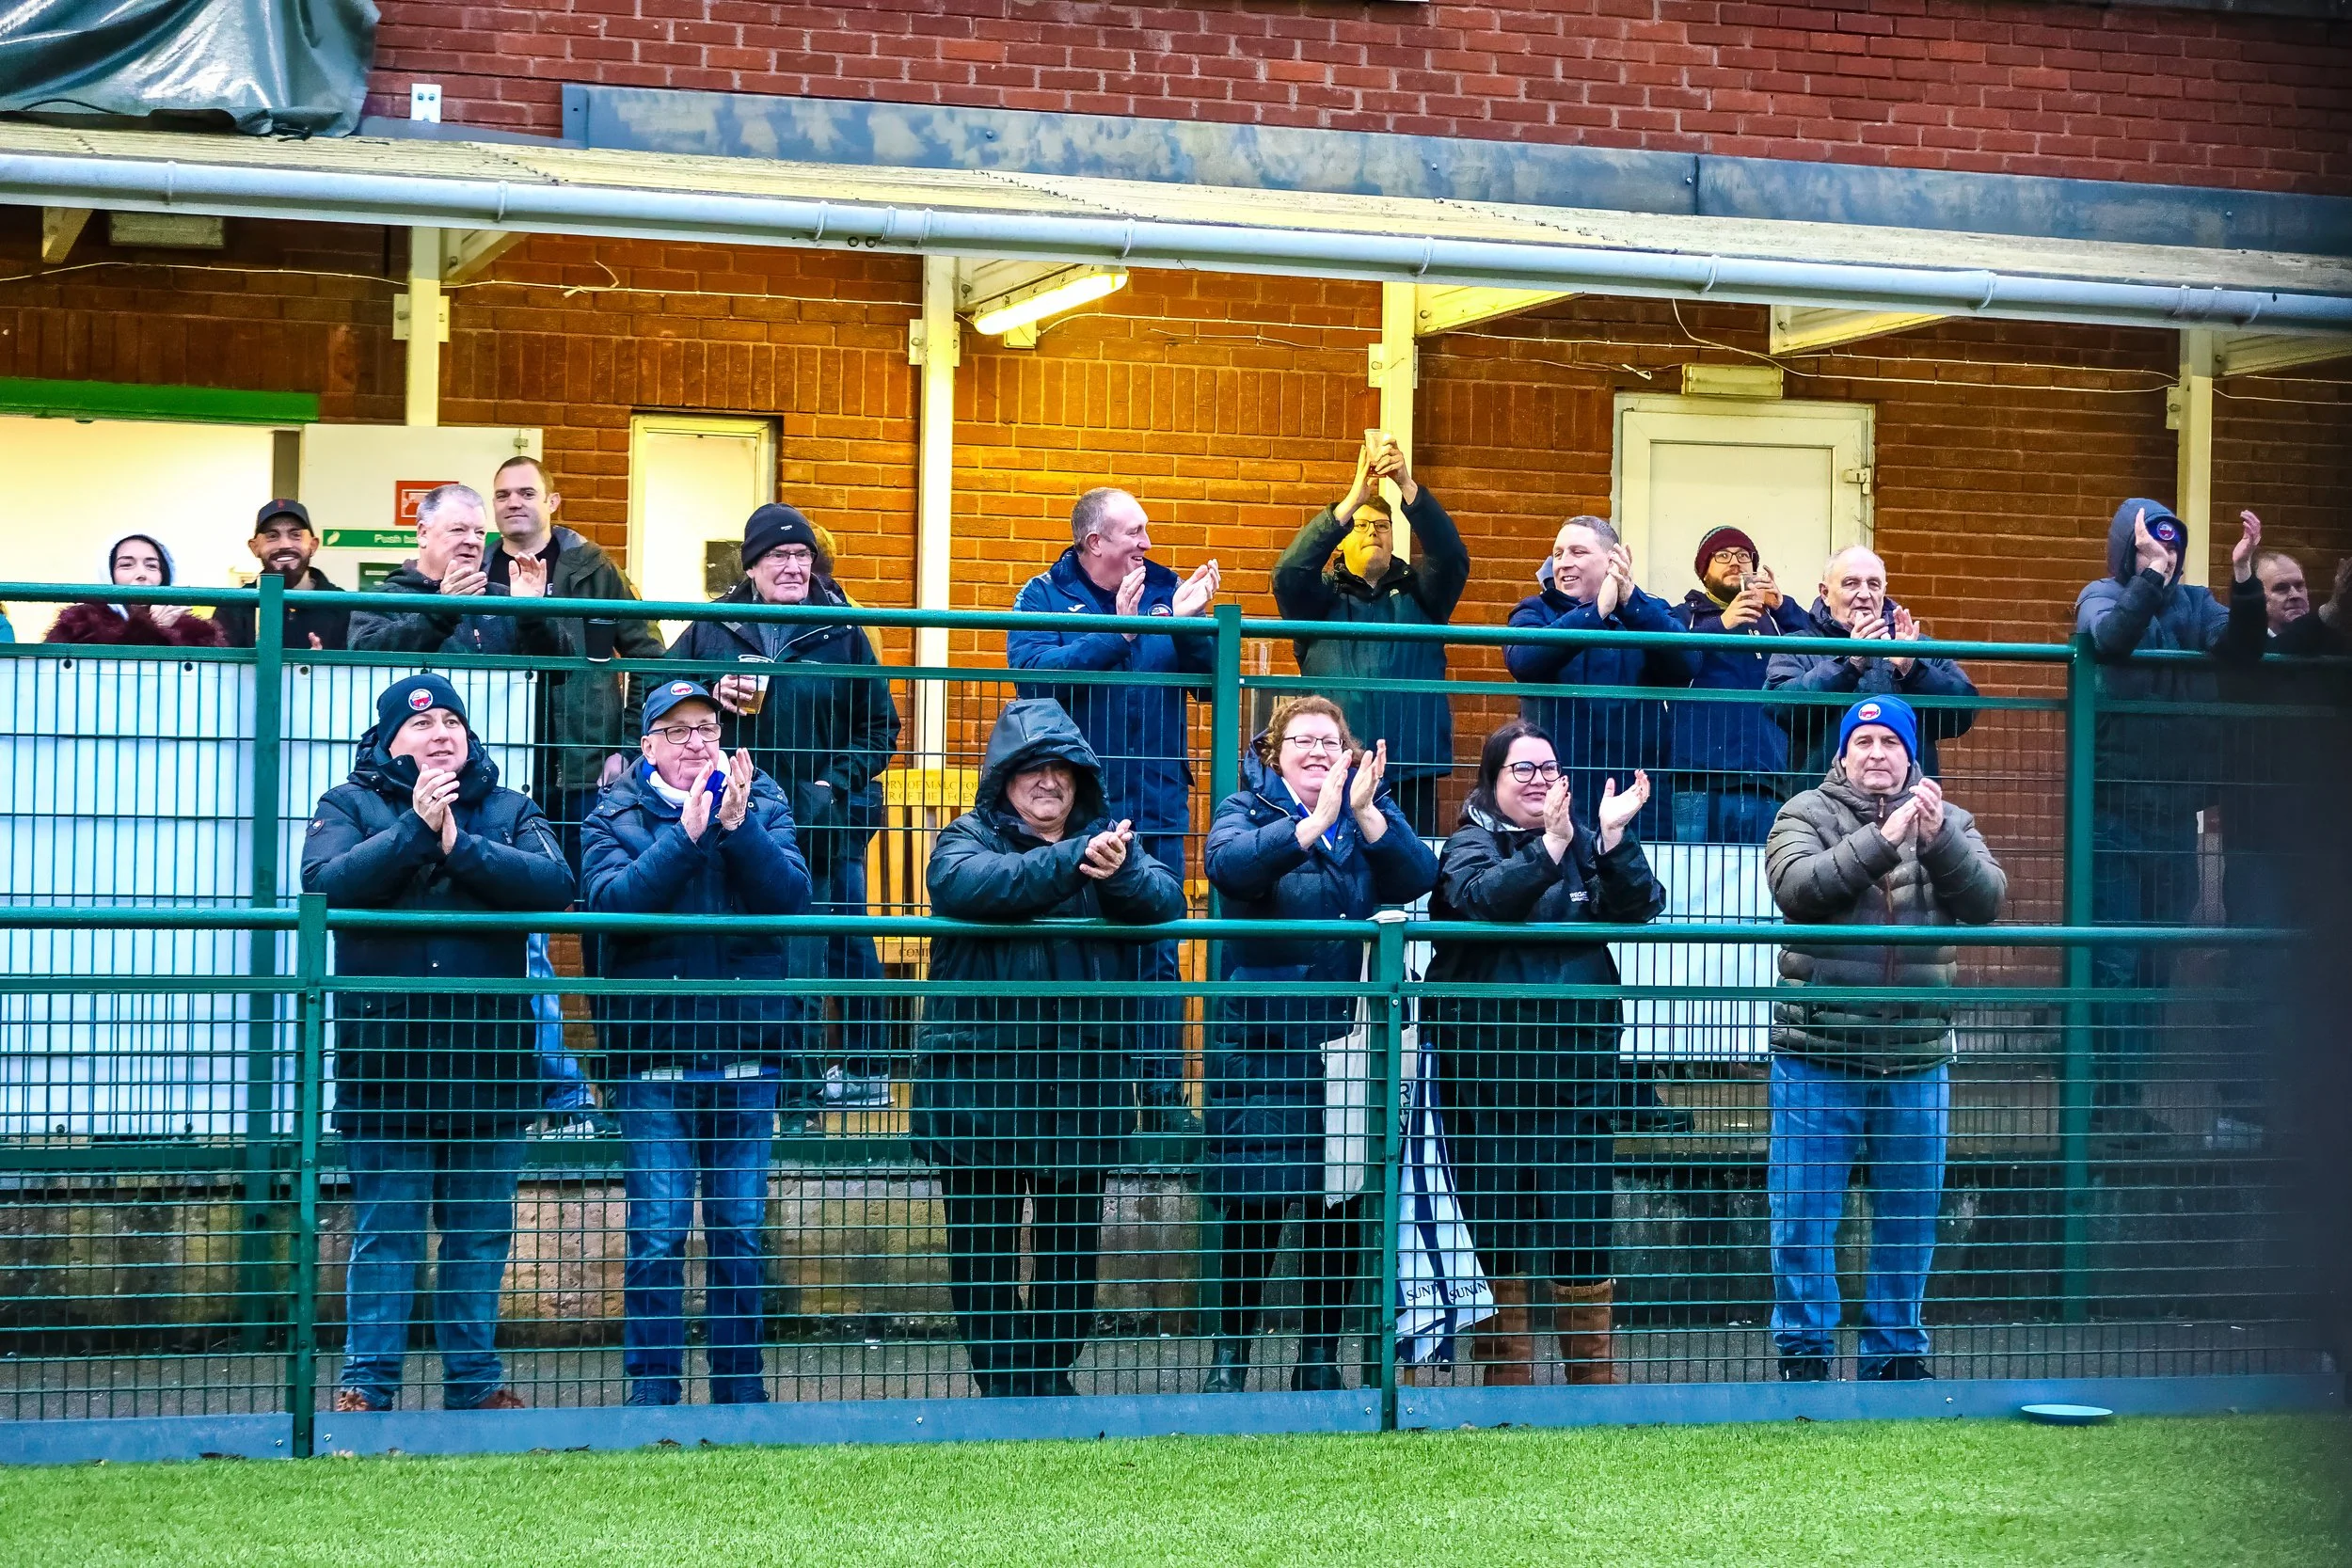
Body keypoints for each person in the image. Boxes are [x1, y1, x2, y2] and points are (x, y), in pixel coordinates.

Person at [300, 674, 576, 1412]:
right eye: (423, 725)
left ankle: (475, 1384)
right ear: (390, 739)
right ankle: (367, 1384)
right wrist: (414, 833)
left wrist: (459, 847)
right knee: (387, 1235)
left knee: (479, 1236)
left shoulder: (509, 806)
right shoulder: (347, 804)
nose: (441, 733)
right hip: (386, 1063)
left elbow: (555, 884)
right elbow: (324, 884)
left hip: (490, 1064)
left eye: (453, 720)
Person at [912, 698, 1186, 1397]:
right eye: (1030, 768)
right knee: (983, 1251)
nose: (1047, 782)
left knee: (1071, 1254)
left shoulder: (1112, 842)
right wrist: (1075, 861)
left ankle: (1045, 1377)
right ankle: (1007, 1386)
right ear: (1002, 778)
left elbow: (1163, 901)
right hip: (978, 1088)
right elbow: (968, 885)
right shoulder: (965, 835)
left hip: (1079, 1083)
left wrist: (1115, 870)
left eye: (1061, 769)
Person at [580, 679, 812, 1406]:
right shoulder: (617, 809)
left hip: (746, 1054)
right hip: (654, 1060)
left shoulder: (762, 797)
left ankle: (741, 1392)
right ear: (646, 745)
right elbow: (613, 907)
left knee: (740, 1232)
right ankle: (653, 1394)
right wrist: (685, 836)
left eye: (706, 727)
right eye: (676, 731)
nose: (695, 742)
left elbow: (791, 897)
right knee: (657, 1232)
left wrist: (738, 828)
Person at [1199, 698, 1439, 1393]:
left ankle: (1318, 1358)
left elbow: (1419, 874)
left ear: (1348, 751)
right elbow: (1230, 868)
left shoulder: (1371, 807)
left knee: (1334, 1206)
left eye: (1328, 741)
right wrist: (1310, 826)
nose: (1314, 750)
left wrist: (1363, 814)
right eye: (1299, 740)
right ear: (1273, 752)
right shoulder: (1245, 808)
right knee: (1255, 1205)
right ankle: (1230, 1358)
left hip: (1347, 1036)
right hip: (1266, 1040)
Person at [1763, 695, 2006, 1382]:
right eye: (1862, 741)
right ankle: (1805, 1352)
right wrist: (1885, 837)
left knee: (1909, 1217)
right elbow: (1797, 886)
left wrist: (1937, 841)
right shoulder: (1804, 812)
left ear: (1910, 755)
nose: (1876, 753)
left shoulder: (1950, 819)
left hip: (1917, 1056)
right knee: (1805, 1215)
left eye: (1890, 742)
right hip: (1819, 1052)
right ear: (1841, 755)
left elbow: (1987, 899)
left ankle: (1896, 1351)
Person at [1426, 721, 1663, 1386]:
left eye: (1547, 767)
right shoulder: (1468, 842)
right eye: (1521, 769)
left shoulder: (1582, 839)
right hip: (1489, 1077)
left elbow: (1639, 904)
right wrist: (1550, 847)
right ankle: (1508, 1386)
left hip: (1578, 1074)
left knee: (1583, 1224)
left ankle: (1593, 1388)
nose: (1537, 780)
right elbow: (1481, 900)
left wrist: (1614, 838)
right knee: (1494, 1226)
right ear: (1493, 780)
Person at [670, 503, 901, 1109]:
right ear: (752, 567)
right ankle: (784, 1084)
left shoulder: (842, 630)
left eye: (802, 555)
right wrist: (708, 696)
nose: (793, 567)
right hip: (735, 817)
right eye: (779, 556)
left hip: (826, 817)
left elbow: (881, 727)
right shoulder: (712, 626)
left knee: (834, 936)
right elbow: (658, 693)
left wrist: (831, 786)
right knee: (763, 946)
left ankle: (859, 1072)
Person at [1008, 487, 1218, 1132]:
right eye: (1135, 532)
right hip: (1074, 810)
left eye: (1147, 531)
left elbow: (1212, 683)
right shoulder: (1041, 597)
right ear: (1093, 542)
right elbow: (1036, 680)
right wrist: (1119, 633)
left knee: (1156, 943)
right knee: (1076, 942)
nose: (1147, 544)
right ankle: (1085, 1096)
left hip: (1155, 801)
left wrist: (1186, 625)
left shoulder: (1166, 587)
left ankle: (1158, 1097)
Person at [2073, 499, 2229, 1140]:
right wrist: (2149, 580)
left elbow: (2238, 649)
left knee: (2155, 964)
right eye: (2146, 550)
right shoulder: (2103, 593)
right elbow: (2110, 641)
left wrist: (2243, 584)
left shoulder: (2196, 603)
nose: (2163, 561)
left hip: (2175, 818)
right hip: (2113, 814)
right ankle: (2098, 1106)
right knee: (2110, 959)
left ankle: (2125, 1101)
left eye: (2170, 551)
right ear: (2124, 552)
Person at [1271, 436, 1470, 838]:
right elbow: (1289, 574)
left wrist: (1407, 486)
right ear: (1342, 540)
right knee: (1336, 861)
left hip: (1410, 765)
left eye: (1382, 526)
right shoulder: (1319, 598)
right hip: (1333, 763)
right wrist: (1349, 503)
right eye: (1361, 526)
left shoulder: (1422, 593)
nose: (1373, 533)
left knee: (1410, 876)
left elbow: (1450, 558)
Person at [487, 456, 667, 863]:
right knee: (505, 894)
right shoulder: (476, 573)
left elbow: (650, 657)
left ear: (552, 501)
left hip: (584, 770)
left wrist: (625, 748)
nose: (513, 502)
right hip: (496, 764)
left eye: (526, 493)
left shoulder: (594, 569)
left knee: (595, 892)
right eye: (503, 495)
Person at [1504, 516, 1693, 844]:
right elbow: (1524, 660)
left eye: (1578, 552)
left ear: (1613, 560)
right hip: (1556, 787)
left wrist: (1631, 603)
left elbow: (1687, 663)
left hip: (1637, 790)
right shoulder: (1535, 610)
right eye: (1558, 553)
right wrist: (1595, 613)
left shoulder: (1648, 611)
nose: (1564, 563)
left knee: (1636, 887)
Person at [1766, 546, 1978, 781]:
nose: (1865, 593)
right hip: (1822, 804)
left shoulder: (1916, 646)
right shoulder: (1797, 646)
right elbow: (1781, 711)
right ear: (1825, 593)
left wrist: (1912, 669)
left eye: (1874, 584)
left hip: (1905, 800)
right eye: (1851, 583)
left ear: (1883, 592)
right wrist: (1848, 665)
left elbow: (1962, 714)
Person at [1669, 526, 1819, 844]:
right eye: (1722, 556)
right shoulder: (1684, 617)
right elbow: (1671, 660)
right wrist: (1723, 624)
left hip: (1767, 781)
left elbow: (1819, 653)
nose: (1735, 562)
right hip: (1698, 781)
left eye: (1743, 556)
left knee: (1760, 885)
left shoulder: (1775, 620)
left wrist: (1783, 607)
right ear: (1704, 572)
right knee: (1690, 881)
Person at [346, 483, 562, 658]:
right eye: (458, 530)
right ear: (422, 533)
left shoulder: (504, 599)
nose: (472, 541)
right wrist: (441, 611)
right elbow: (364, 658)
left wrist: (532, 613)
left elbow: (559, 672)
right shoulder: (383, 599)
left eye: (480, 533)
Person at [46, 533, 227, 647]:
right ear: (108, 574)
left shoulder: (196, 634)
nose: (141, 574)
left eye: (151, 566)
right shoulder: (79, 627)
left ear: (165, 575)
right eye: (126, 565)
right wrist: (152, 628)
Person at [215, 499, 350, 652]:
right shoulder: (233, 607)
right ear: (255, 547)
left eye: (295, 535)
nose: (285, 544)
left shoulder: (343, 606)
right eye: (272, 536)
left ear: (313, 544)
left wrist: (321, 668)